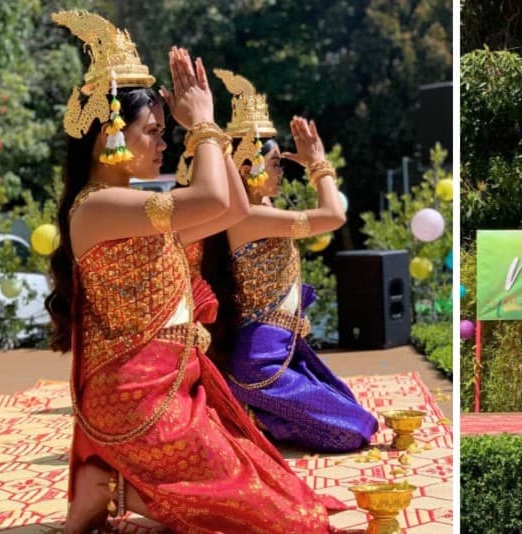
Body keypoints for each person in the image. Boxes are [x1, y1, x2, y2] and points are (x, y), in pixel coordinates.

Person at [46, 12, 344, 531]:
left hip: (173, 388)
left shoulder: (132, 207)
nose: (164, 144)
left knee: (285, 497)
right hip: (138, 399)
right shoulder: (98, 208)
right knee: (282, 524)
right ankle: (123, 485)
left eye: (167, 133)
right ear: (108, 134)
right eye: (153, 132)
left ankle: (117, 484)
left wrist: (213, 136)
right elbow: (213, 197)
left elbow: (227, 210)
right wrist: (203, 125)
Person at [204, 69, 377, 453]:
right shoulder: (248, 216)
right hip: (260, 365)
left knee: (355, 416)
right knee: (351, 431)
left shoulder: (262, 208)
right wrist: (318, 164)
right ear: (248, 168)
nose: (281, 171)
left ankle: (253, 416)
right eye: (275, 163)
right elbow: (334, 215)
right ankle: (248, 414)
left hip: (283, 353)